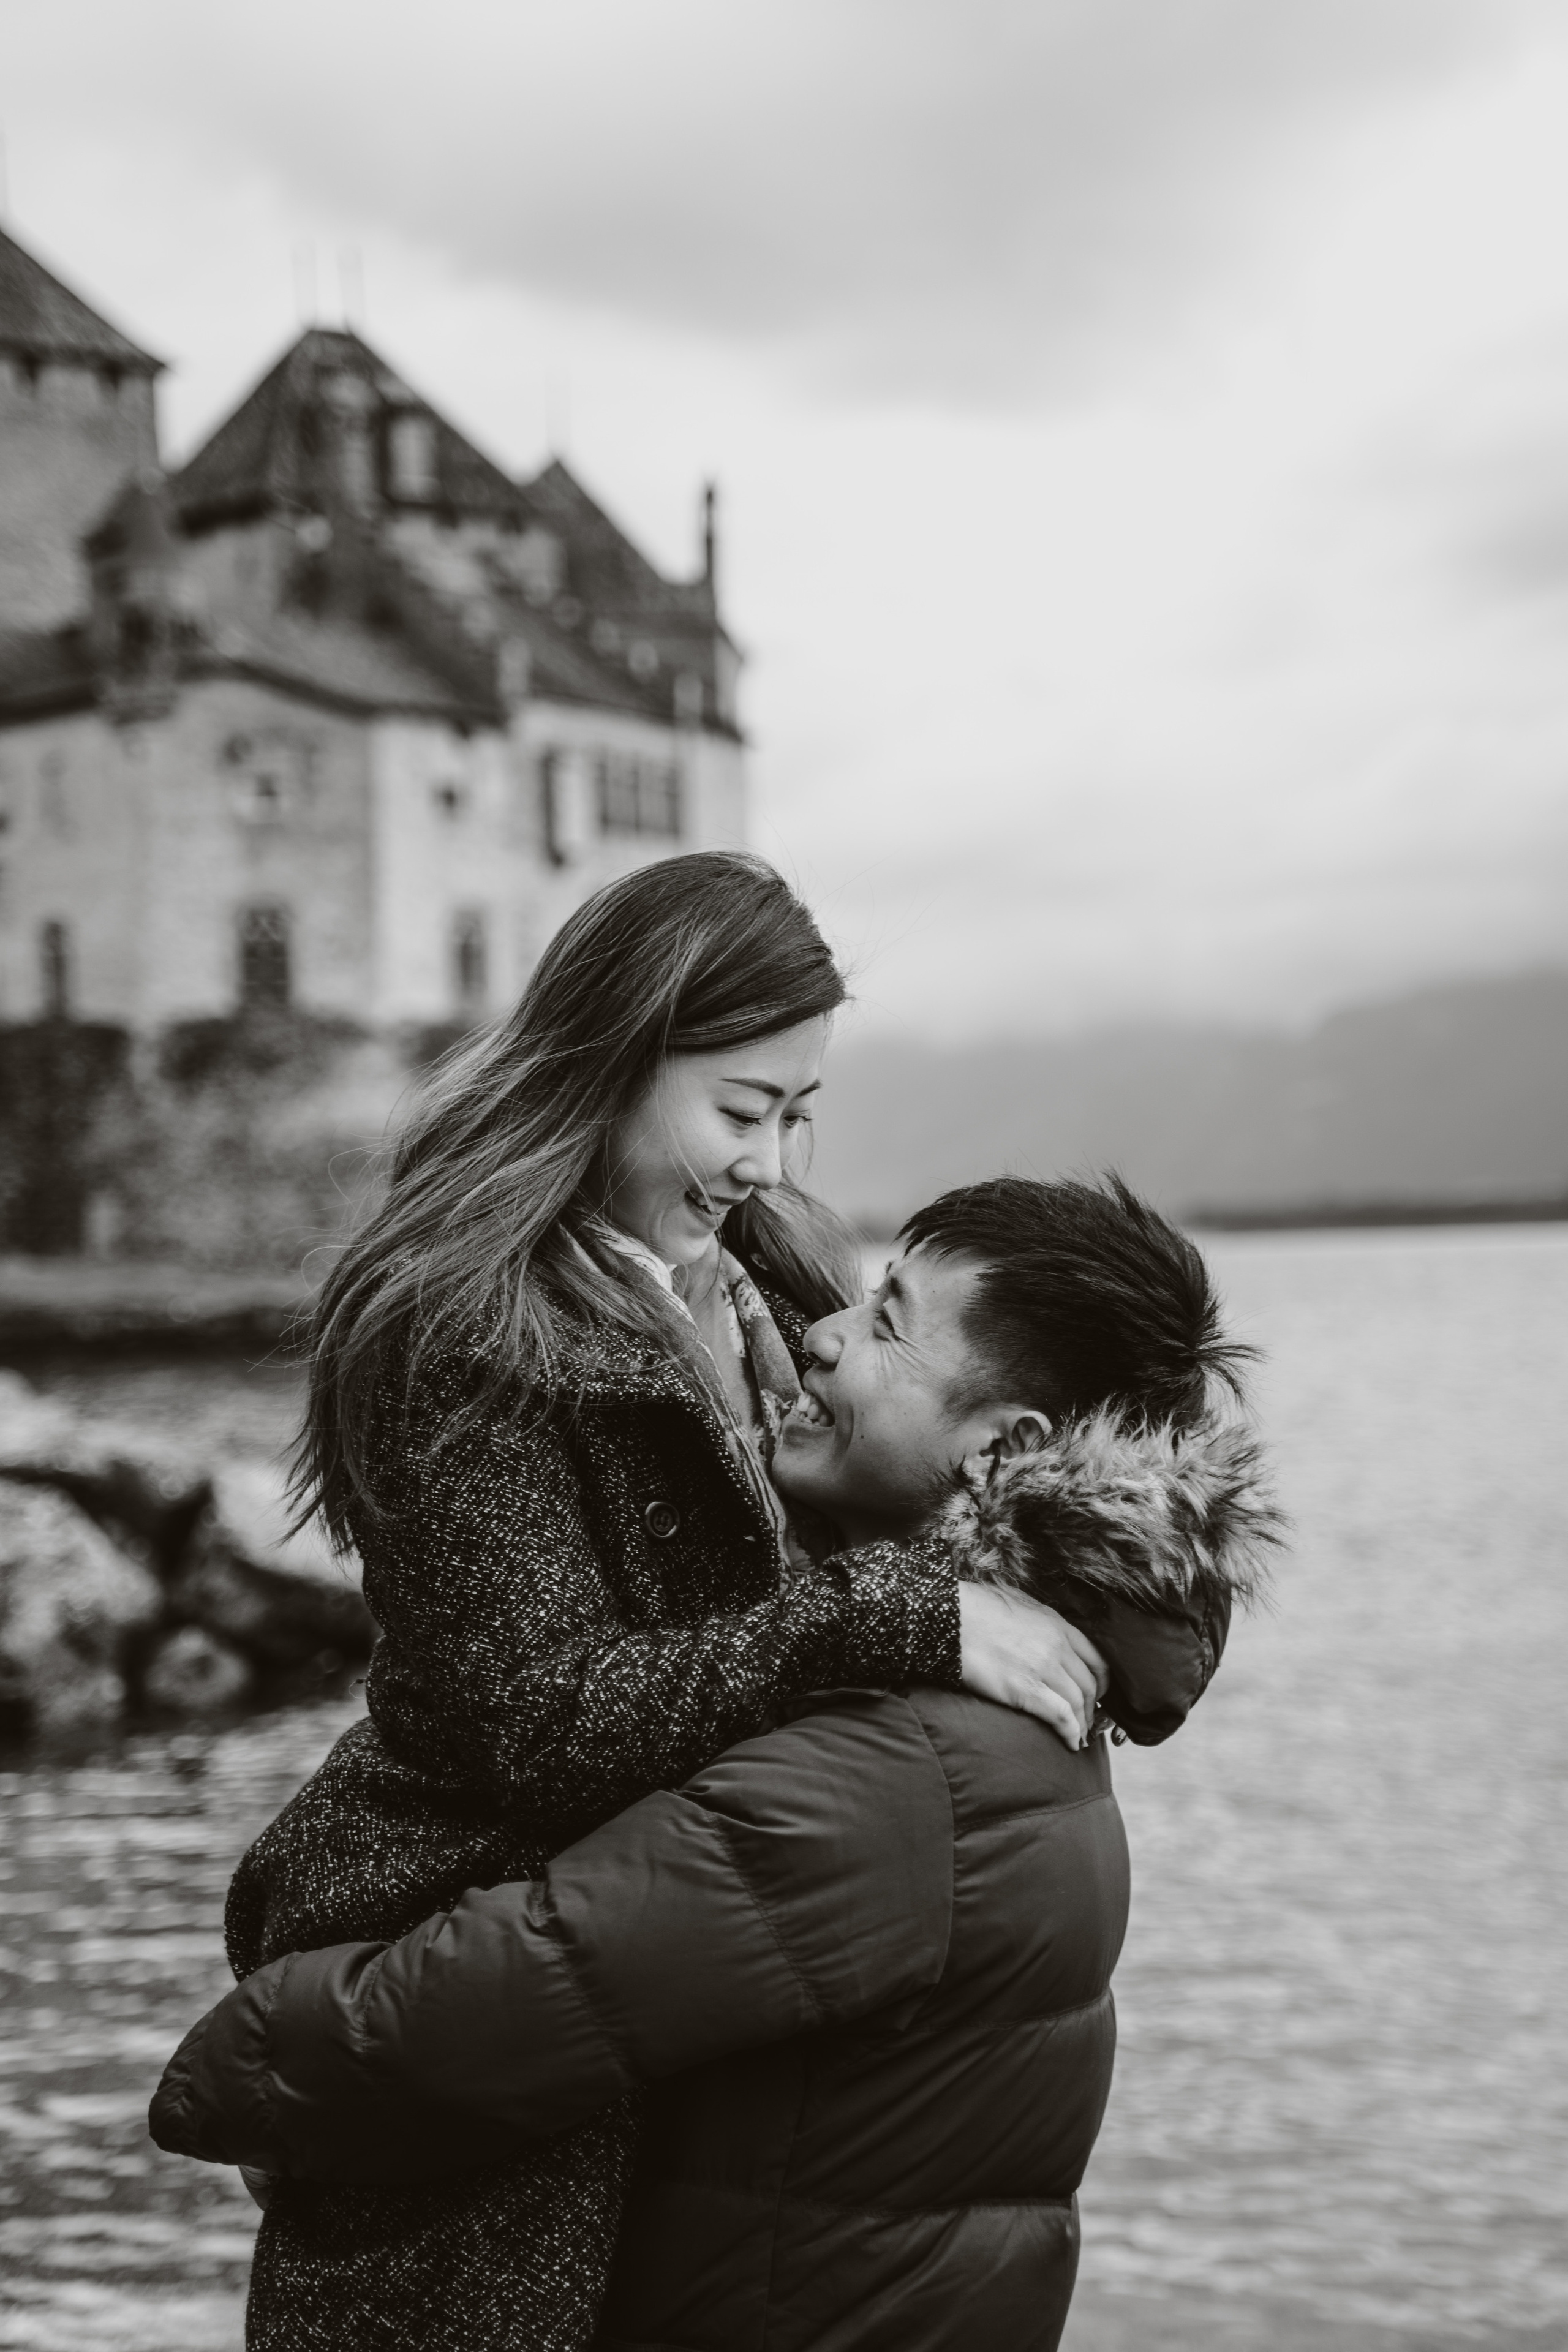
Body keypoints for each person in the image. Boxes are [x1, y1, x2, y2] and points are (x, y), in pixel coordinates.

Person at [216, 854, 1117, 2352]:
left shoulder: (768, 1277)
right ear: (614, 1054)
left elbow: (937, 1465)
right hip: (477, 2062)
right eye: (740, 1110)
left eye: (796, 1113)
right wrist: (896, 1618)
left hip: (666, 2043)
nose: (768, 1159)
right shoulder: (461, 1324)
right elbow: (538, 1726)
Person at [154, 1176, 1280, 2352]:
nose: (824, 1335)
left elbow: (446, 2031)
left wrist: (237, 2077)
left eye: (889, 1322)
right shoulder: (1024, 1698)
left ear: (1006, 1447)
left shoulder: (894, 1770)